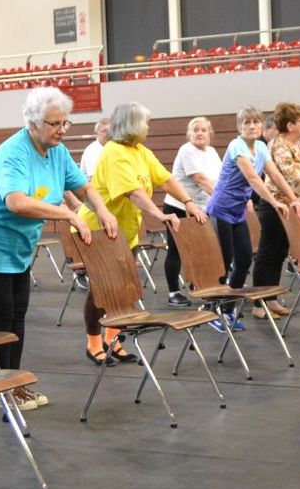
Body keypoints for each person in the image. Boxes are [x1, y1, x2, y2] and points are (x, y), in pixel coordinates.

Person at [0, 88, 117, 408]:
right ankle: (1, 388)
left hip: (17, 240)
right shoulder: (13, 153)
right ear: (32, 123)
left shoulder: (56, 150)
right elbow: (16, 202)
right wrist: (69, 214)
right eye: (54, 123)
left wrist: (101, 210)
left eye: (65, 123)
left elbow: (83, 186)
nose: (62, 130)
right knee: (3, 311)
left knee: (19, 311)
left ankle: (13, 383)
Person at [77, 101, 206, 361]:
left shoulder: (139, 150)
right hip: (98, 229)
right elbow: (132, 192)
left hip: (126, 231)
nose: (148, 126)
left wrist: (189, 202)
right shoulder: (114, 153)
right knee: (102, 290)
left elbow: (166, 179)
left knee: (124, 288)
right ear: (133, 124)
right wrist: (159, 214)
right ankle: (93, 343)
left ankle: (113, 338)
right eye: (145, 121)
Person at [204, 107, 294, 332]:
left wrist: (293, 198)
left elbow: (274, 174)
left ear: (262, 126)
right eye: (247, 123)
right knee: (223, 263)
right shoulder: (237, 145)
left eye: (256, 122)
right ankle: (212, 307)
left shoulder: (262, 147)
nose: (252, 126)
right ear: (239, 127)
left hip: (236, 213)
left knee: (244, 261)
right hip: (220, 209)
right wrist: (274, 202)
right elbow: (253, 178)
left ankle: (227, 308)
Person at [252, 102, 300, 320]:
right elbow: (295, 177)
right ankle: (258, 303)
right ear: (290, 125)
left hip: (293, 207)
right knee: (267, 253)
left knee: (280, 253)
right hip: (275, 206)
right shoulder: (278, 145)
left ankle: (271, 299)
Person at [162, 116, 220, 307]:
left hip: (201, 208)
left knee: (201, 249)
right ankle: (173, 292)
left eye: (203, 130)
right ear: (189, 134)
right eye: (195, 130)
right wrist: (223, 200)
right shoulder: (187, 150)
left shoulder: (211, 152)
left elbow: (218, 181)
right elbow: (200, 179)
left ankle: (200, 286)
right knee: (177, 250)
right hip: (178, 206)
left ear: (209, 134)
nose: (200, 133)